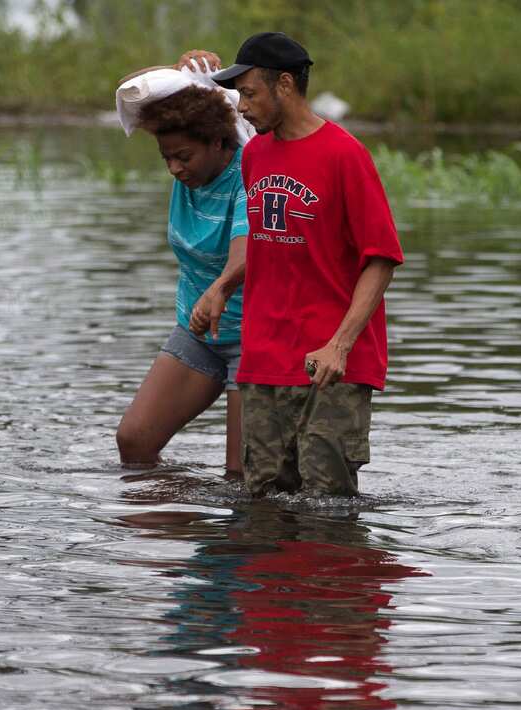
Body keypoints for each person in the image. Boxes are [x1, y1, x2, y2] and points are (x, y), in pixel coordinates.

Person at [204, 32, 404, 497]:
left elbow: (381, 260)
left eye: (250, 94)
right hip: (264, 362)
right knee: (264, 508)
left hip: (330, 367)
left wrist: (339, 345)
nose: (242, 108)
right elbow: (268, 238)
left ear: (286, 85)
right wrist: (224, 286)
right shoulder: (254, 154)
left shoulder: (345, 155)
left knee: (327, 510)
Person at [115, 53, 250, 475]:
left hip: (251, 339)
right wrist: (177, 72)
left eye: (184, 156)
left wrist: (219, 289)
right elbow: (131, 90)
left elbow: (246, 253)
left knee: (240, 475)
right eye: (166, 158)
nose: (175, 168)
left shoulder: (250, 170)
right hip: (197, 330)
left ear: (217, 141)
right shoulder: (189, 173)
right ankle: (176, 522)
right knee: (134, 442)